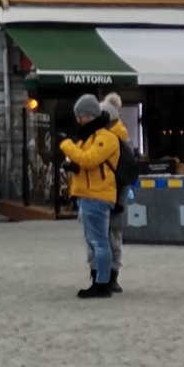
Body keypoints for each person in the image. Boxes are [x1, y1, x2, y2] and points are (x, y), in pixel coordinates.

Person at [60, 94, 120, 300]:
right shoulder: (89, 137)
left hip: (97, 195)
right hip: (88, 194)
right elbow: (84, 162)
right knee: (94, 241)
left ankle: (103, 284)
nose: (79, 120)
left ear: (92, 115)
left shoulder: (106, 137)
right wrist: (73, 166)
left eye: (82, 116)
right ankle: (98, 280)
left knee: (99, 241)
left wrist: (66, 144)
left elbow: (89, 159)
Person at [100, 91, 132, 293]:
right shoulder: (124, 137)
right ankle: (111, 277)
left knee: (103, 238)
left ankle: (105, 276)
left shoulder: (108, 139)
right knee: (113, 238)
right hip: (115, 196)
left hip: (106, 195)